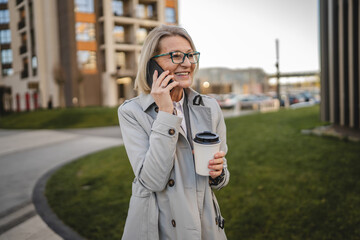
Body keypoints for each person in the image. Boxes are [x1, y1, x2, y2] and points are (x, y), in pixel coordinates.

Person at [118, 24, 230, 240]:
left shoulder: (210, 107)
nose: (187, 64)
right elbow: (151, 180)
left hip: (206, 224)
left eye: (190, 55)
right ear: (153, 64)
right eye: (176, 56)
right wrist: (166, 113)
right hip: (160, 228)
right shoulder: (131, 112)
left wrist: (219, 173)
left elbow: (222, 175)